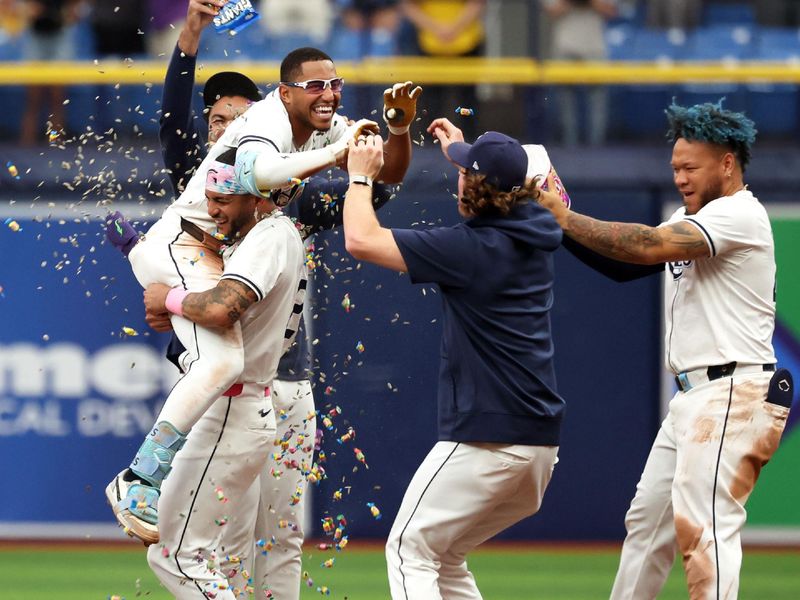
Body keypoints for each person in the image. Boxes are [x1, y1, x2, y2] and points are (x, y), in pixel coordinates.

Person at [148, 3, 420, 596]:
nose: (227, 131)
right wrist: (192, 29)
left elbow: (379, 191)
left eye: (240, 119)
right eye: (217, 120)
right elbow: (172, 119)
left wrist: (390, 135)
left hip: (289, 384)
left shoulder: (287, 198)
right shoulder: (204, 188)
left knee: (280, 537)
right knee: (214, 540)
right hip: (224, 384)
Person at [535, 100, 794, 599]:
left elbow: (646, 246)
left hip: (732, 395)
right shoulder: (690, 216)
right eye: (674, 167)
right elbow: (623, 266)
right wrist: (557, 224)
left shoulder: (740, 214)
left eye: (689, 167)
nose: (679, 177)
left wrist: (562, 215)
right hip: (694, 401)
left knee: (705, 531)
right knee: (648, 526)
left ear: (726, 163)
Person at [342, 122, 565, 599]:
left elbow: (361, 239)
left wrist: (361, 177)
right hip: (538, 449)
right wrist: (470, 158)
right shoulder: (537, 233)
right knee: (443, 557)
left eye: (463, 172)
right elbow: (517, 187)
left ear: (474, 186)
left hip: (489, 441)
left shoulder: (469, 248)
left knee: (408, 548)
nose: (456, 176)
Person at [140, 149, 307, 598]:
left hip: (234, 408)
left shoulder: (269, 236)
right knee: (196, 553)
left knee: (178, 556)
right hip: (237, 407)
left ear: (257, 196)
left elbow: (221, 308)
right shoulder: (267, 233)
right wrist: (175, 308)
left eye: (222, 200)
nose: (211, 209)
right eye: (208, 197)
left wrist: (170, 299)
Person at [538, 0, 617, 147]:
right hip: (565, 45)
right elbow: (551, 11)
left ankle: (597, 147)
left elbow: (612, 12)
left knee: (597, 96)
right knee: (565, 96)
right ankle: (569, 145)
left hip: (594, 46)